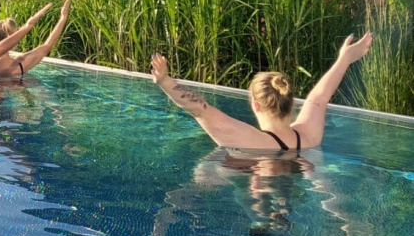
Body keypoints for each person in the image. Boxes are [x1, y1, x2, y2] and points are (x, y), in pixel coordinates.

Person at [150, 32, 374, 152]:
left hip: (261, 189)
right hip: (297, 178)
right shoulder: (308, 136)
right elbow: (319, 97)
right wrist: (345, 58)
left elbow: (199, 109)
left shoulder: (250, 140)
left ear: (256, 105)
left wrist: (164, 80)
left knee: (212, 172)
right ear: (291, 101)